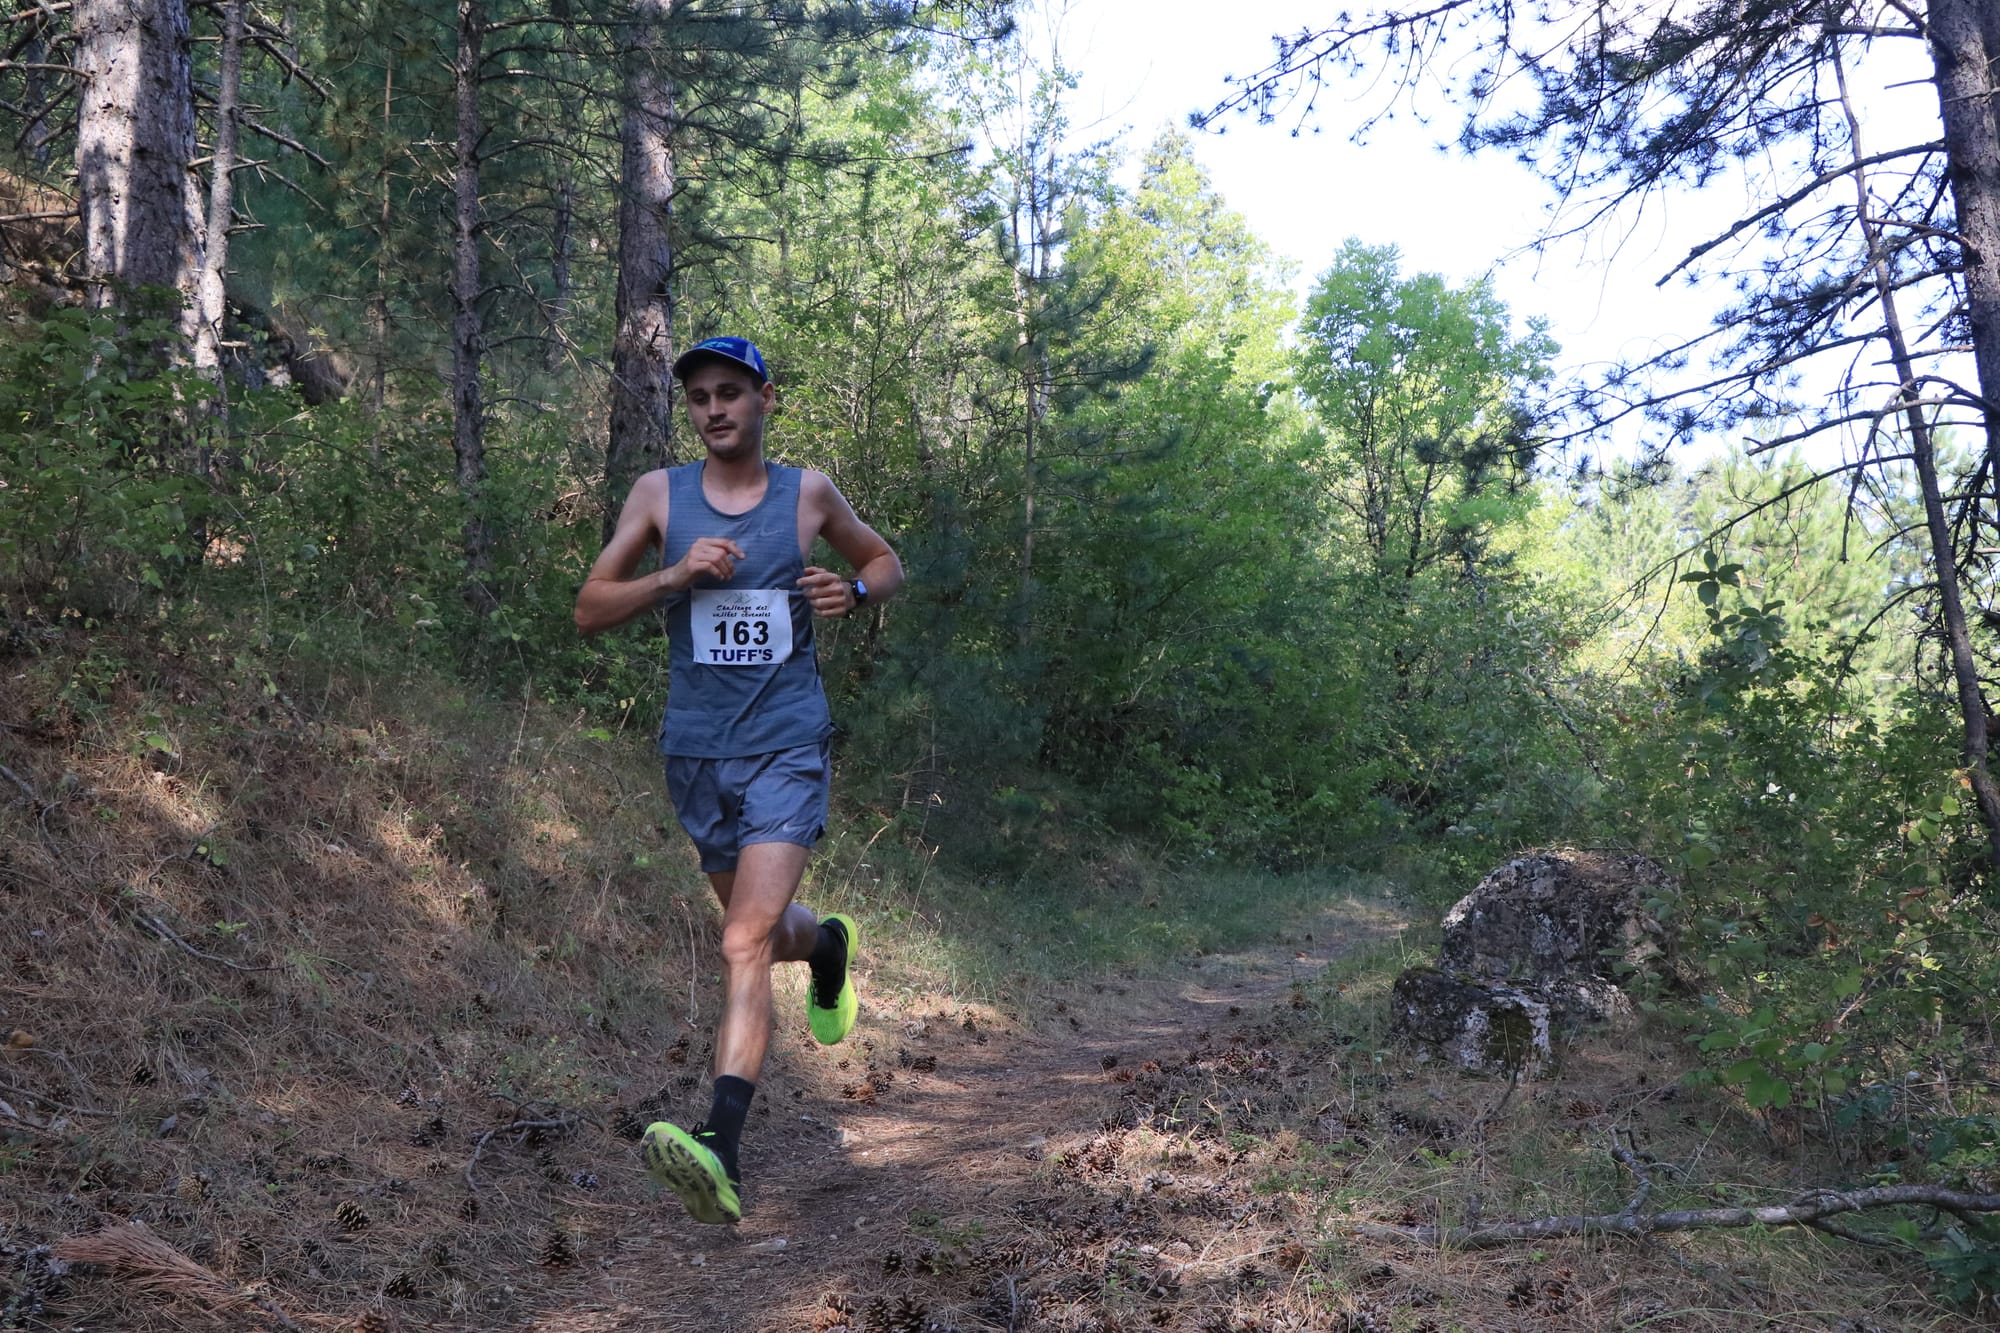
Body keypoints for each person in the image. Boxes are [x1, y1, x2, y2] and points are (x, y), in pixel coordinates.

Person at [573, 335, 903, 1224]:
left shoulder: (808, 493)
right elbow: (589, 609)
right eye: (699, 397)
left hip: (789, 745)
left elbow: (885, 563)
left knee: (742, 940)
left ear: (764, 398)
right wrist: (675, 574)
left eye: (729, 392)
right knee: (756, 933)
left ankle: (720, 1144)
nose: (714, 408)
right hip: (697, 752)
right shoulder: (659, 495)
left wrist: (854, 594)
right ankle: (826, 946)